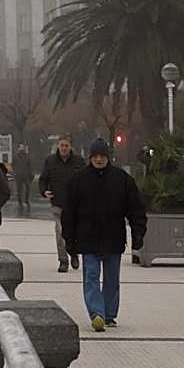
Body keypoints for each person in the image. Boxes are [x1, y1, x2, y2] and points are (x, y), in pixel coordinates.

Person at [62, 138, 146, 332]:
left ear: (108, 157)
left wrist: (138, 234)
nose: (99, 159)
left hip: (113, 237)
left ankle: (109, 314)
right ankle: (96, 313)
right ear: (90, 157)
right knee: (91, 275)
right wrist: (69, 240)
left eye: (102, 156)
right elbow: (69, 213)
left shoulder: (122, 179)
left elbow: (135, 209)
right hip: (87, 237)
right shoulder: (78, 180)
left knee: (112, 278)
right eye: (96, 156)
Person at [39, 136, 86, 272]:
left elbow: (85, 179)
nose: (64, 148)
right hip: (58, 203)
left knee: (75, 233)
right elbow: (43, 179)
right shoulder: (50, 161)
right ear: (58, 146)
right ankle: (63, 260)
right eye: (62, 145)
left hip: (75, 204)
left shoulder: (79, 161)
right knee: (60, 233)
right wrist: (44, 191)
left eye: (66, 145)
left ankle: (74, 253)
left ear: (70, 147)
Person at [13, 144, 32, 215]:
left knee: (27, 187)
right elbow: (13, 164)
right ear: (18, 149)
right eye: (20, 147)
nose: (21, 149)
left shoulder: (27, 156)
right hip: (18, 175)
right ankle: (20, 201)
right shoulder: (15, 157)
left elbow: (29, 165)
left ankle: (26, 200)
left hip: (25, 174)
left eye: (22, 148)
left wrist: (30, 173)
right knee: (19, 189)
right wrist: (15, 171)